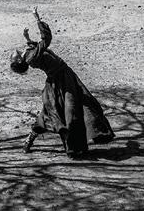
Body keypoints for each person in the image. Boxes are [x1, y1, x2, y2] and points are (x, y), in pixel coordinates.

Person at [10, 9, 115, 158]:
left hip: (64, 78)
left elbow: (36, 47)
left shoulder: (28, 54)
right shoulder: (31, 57)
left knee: (66, 110)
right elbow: (46, 39)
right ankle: (73, 148)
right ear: (20, 60)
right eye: (13, 58)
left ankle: (30, 141)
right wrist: (38, 19)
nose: (11, 55)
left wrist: (27, 37)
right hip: (60, 81)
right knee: (69, 112)